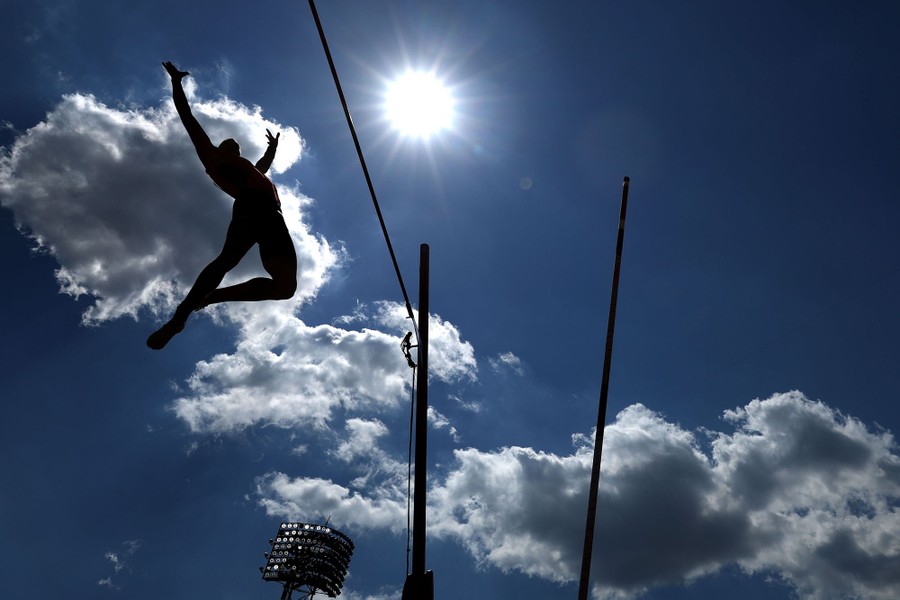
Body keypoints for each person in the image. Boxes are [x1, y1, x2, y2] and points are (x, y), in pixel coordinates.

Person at [147, 61, 298, 350]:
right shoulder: (212, 155)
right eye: (231, 145)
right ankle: (180, 316)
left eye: (238, 147)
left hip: (272, 215)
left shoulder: (246, 167)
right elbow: (186, 116)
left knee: (285, 288)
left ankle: (211, 297)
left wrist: (272, 150)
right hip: (251, 207)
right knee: (226, 260)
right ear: (222, 147)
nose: (235, 146)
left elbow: (261, 167)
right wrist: (177, 83)